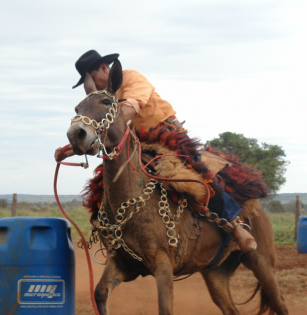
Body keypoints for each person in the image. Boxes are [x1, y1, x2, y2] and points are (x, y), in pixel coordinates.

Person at [55, 50, 257, 253]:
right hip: (135, 143)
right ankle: (115, 238)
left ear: (103, 68)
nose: (90, 84)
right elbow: (97, 128)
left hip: (165, 134)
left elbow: (132, 107)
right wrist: (74, 148)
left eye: (91, 76)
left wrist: (108, 126)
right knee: (105, 182)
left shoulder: (130, 77)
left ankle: (235, 225)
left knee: (197, 171)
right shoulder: (102, 98)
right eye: (85, 81)